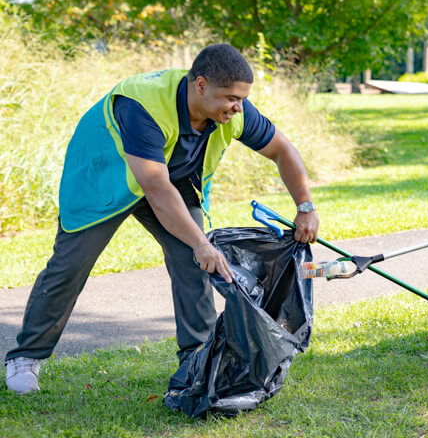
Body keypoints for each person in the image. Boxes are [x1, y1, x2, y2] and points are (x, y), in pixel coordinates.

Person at [5, 43, 320, 394]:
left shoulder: (235, 110)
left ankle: (196, 359)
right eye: (231, 97)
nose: (238, 106)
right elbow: (154, 187)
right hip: (105, 178)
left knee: (196, 263)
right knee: (70, 265)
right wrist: (201, 242)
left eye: (242, 98)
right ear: (201, 85)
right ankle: (25, 356)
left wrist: (305, 206)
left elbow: (282, 150)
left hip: (174, 181)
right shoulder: (142, 106)